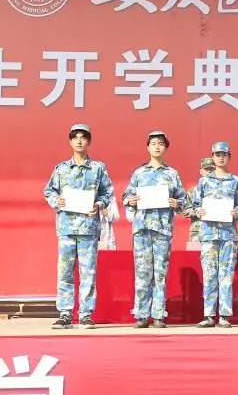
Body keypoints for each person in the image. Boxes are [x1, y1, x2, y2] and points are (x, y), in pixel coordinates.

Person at [43, 123, 114, 329]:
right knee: (65, 272)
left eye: (83, 137)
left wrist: (98, 204)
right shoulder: (61, 169)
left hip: (88, 228)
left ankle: (85, 314)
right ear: (70, 142)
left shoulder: (98, 168)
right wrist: (57, 201)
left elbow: (107, 192)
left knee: (88, 272)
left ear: (89, 141)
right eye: (75, 137)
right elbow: (49, 191)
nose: (79, 141)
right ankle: (65, 313)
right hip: (66, 228)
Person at [123, 130, 187, 329]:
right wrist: (130, 201)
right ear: (147, 147)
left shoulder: (172, 174)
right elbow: (126, 197)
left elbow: (184, 201)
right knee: (142, 272)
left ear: (165, 147)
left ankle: (159, 314)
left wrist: (176, 203)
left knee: (160, 273)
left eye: (160, 143)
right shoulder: (139, 173)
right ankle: (142, 314)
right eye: (153, 143)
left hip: (162, 229)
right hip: (142, 228)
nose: (157, 146)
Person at [186, 142, 238, 328]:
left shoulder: (236, 181)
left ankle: (225, 315)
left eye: (224, 154)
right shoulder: (204, 182)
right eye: (217, 154)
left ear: (229, 157)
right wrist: (198, 211)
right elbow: (192, 207)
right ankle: (209, 315)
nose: (221, 157)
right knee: (210, 274)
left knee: (226, 276)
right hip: (208, 234)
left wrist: (237, 212)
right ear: (212, 157)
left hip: (228, 235)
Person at [183, 157, 216, 250]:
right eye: (206, 169)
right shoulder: (193, 191)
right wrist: (197, 212)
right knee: (194, 257)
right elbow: (185, 211)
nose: (209, 171)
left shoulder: (223, 191)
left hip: (217, 233)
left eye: (212, 169)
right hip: (197, 233)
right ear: (201, 171)